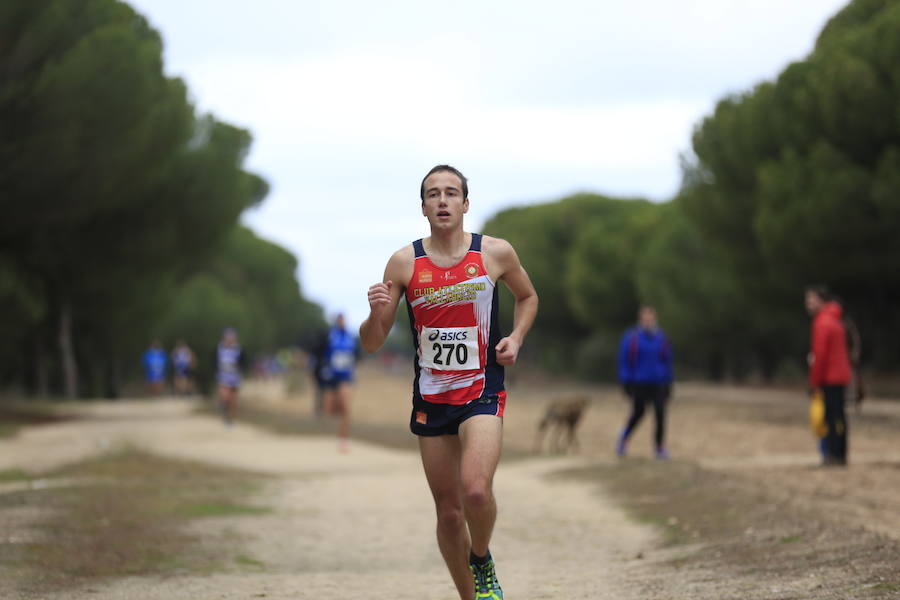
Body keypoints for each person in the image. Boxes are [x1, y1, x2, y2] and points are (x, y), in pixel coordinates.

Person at [360, 165, 538, 600]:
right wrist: (375, 312)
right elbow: (372, 342)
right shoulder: (404, 263)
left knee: (476, 491)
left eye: (451, 193)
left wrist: (515, 338)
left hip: (481, 388)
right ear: (422, 207)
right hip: (433, 397)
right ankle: (470, 596)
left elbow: (528, 297)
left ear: (465, 204)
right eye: (433, 194)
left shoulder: (494, 254)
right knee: (449, 515)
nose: (442, 200)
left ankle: (481, 559)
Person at [615, 305, 674, 459]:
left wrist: (669, 381)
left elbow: (667, 360)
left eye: (650, 317)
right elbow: (624, 360)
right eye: (645, 317)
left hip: (658, 382)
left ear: (655, 318)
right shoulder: (632, 337)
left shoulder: (661, 337)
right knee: (638, 413)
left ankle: (659, 448)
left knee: (660, 414)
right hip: (639, 382)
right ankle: (623, 440)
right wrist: (625, 380)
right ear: (640, 319)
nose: (648, 320)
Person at [805, 286, 852, 466]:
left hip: (829, 377)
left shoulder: (822, 322)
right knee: (839, 416)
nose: (807, 303)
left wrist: (814, 382)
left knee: (830, 417)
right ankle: (841, 454)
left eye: (811, 299)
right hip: (841, 375)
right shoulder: (835, 319)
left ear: (821, 300)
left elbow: (820, 355)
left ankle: (832, 455)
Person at [322, 313, 358, 451]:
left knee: (346, 408)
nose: (343, 322)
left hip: (346, 377)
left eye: (344, 320)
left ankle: (343, 439)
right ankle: (330, 436)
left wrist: (355, 372)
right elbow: (322, 353)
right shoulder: (330, 336)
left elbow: (357, 356)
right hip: (331, 376)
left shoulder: (351, 338)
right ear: (337, 322)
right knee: (329, 410)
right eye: (340, 320)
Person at [214, 327, 246, 426]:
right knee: (225, 397)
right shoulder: (219, 349)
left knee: (232, 400)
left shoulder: (238, 349)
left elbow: (243, 363)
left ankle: (230, 419)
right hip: (223, 377)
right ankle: (224, 413)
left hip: (234, 378)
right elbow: (214, 362)